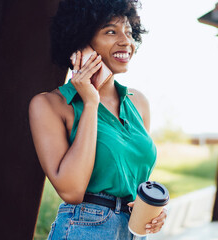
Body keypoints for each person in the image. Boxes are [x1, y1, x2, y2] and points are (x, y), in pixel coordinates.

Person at [28, 0, 167, 239]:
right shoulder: (50, 105)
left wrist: (154, 210)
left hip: (133, 231)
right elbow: (71, 190)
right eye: (111, 31)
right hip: (84, 228)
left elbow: (133, 178)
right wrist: (91, 103)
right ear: (80, 40)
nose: (126, 41)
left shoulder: (138, 102)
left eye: (129, 32)